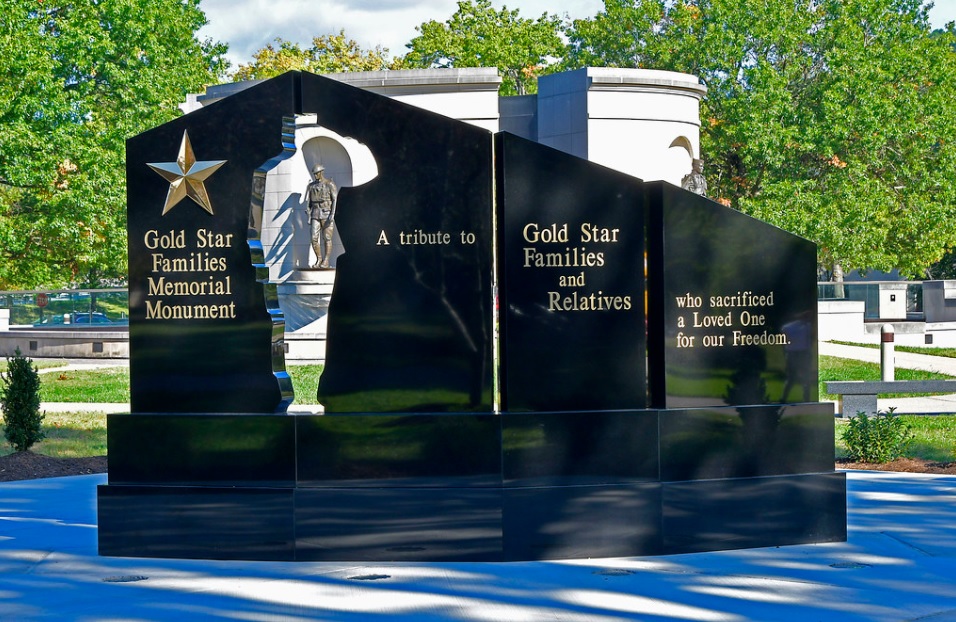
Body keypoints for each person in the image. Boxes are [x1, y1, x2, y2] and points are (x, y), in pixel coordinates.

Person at [305, 164, 337, 269]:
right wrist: (308, 212)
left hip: (327, 213)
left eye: (317, 173)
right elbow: (309, 201)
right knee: (314, 238)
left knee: (327, 237)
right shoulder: (311, 186)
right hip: (315, 213)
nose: (315, 175)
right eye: (314, 174)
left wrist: (332, 214)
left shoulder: (329, 184)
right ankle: (319, 259)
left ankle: (326, 260)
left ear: (321, 172)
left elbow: (335, 200)